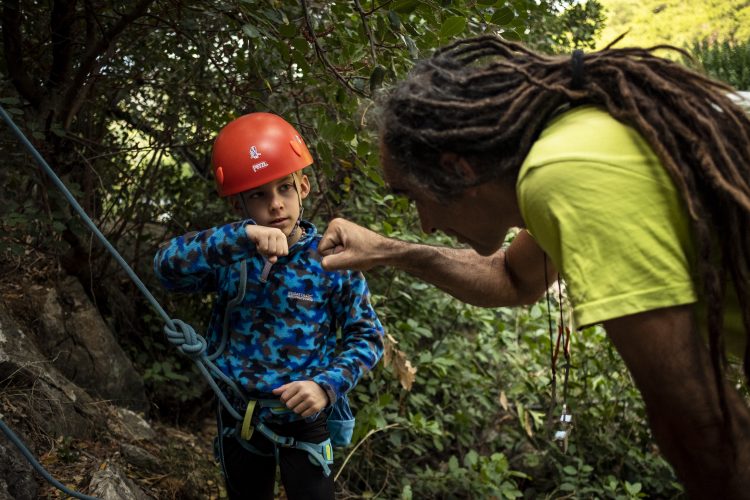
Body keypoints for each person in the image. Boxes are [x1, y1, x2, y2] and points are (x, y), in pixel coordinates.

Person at [318, 35, 750, 497]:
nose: (424, 224)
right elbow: (512, 278)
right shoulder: (574, 143)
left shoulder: (563, 174)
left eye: (416, 197)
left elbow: (700, 427)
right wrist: (388, 250)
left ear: (459, 170)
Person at [154, 112, 384, 500]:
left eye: (284, 190)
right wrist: (239, 239)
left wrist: (326, 386)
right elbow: (167, 269)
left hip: (305, 413)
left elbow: (368, 336)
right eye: (259, 195)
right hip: (237, 410)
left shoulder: (331, 260)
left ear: (304, 187)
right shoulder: (234, 255)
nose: (275, 206)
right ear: (239, 204)